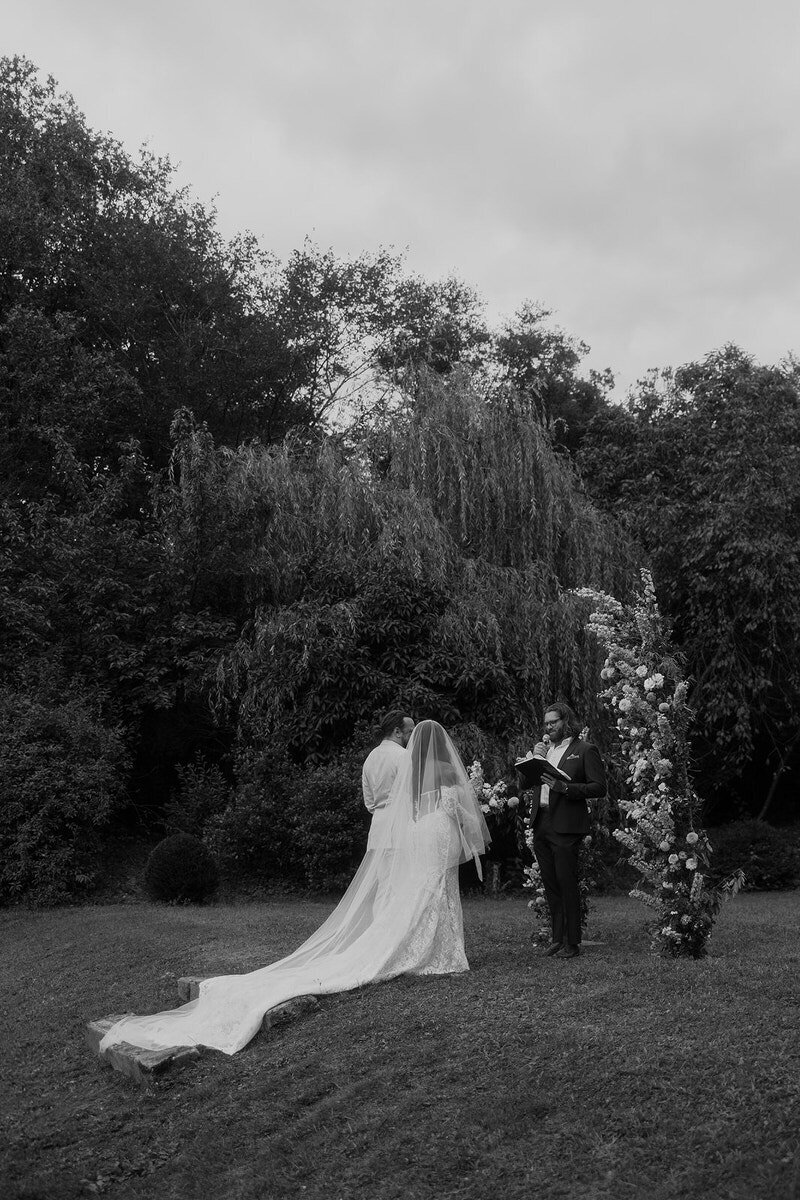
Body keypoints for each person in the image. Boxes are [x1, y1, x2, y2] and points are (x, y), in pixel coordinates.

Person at [98, 721, 490, 1057]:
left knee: (402, 893)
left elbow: (374, 802)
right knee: (420, 891)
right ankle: (427, 946)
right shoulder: (415, 762)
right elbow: (449, 805)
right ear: (403, 734)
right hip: (419, 833)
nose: (409, 737)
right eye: (405, 731)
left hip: (398, 831)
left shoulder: (376, 758)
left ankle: (404, 937)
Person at [523, 702, 606, 960]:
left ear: (566, 721)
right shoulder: (544, 751)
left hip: (566, 825)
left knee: (566, 882)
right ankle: (556, 939)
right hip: (541, 822)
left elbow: (598, 788)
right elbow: (526, 784)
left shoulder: (584, 750)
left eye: (553, 722)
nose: (549, 727)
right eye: (546, 723)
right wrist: (532, 759)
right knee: (550, 884)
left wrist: (565, 788)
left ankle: (573, 942)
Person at [362, 710, 415, 850]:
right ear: (397, 731)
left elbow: (369, 803)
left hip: (378, 829)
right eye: (411, 732)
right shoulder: (404, 755)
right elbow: (412, 794)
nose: (414, 737)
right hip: (402, 827)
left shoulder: (370, 758)